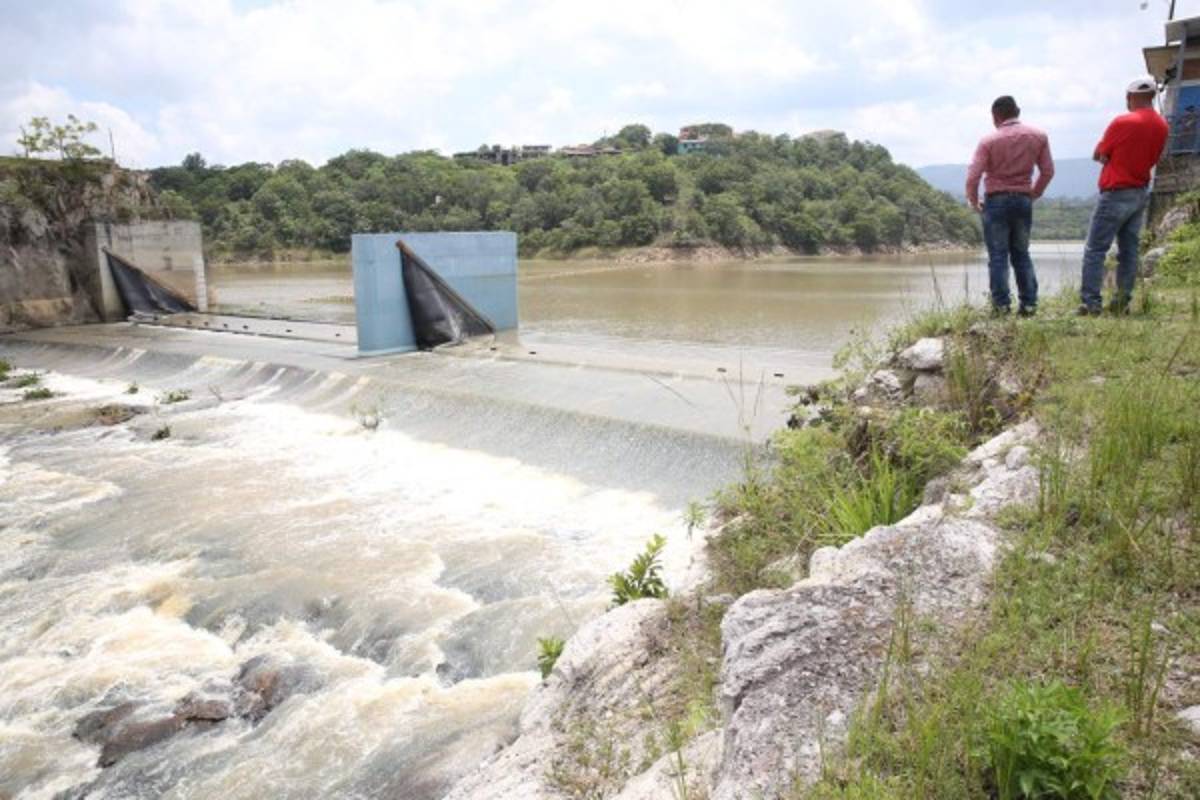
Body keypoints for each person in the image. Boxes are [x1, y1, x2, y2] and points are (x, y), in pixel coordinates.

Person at [1078, 75, 1170, 315]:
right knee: (1129, 250)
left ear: (1131, 97)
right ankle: (1122, 303)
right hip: (1140, 192)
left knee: (1095, 250)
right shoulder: (1162, 125)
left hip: (1115, 191)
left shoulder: (1123, 122)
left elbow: (1099, 153)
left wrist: (1109, 156)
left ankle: (1091, 302)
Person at [966, 96, 1055, 316]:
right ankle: (1029, 304)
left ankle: (1001, 306)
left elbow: (973, 177)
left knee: (998, 256)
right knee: (1021, 254)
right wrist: (1033, 194)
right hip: (1023, 201)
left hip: (996, 202)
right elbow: (1048, 171)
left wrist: (974, 201)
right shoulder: (1039, 136)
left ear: (995, 116)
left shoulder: (988, 141)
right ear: (1018, 111)